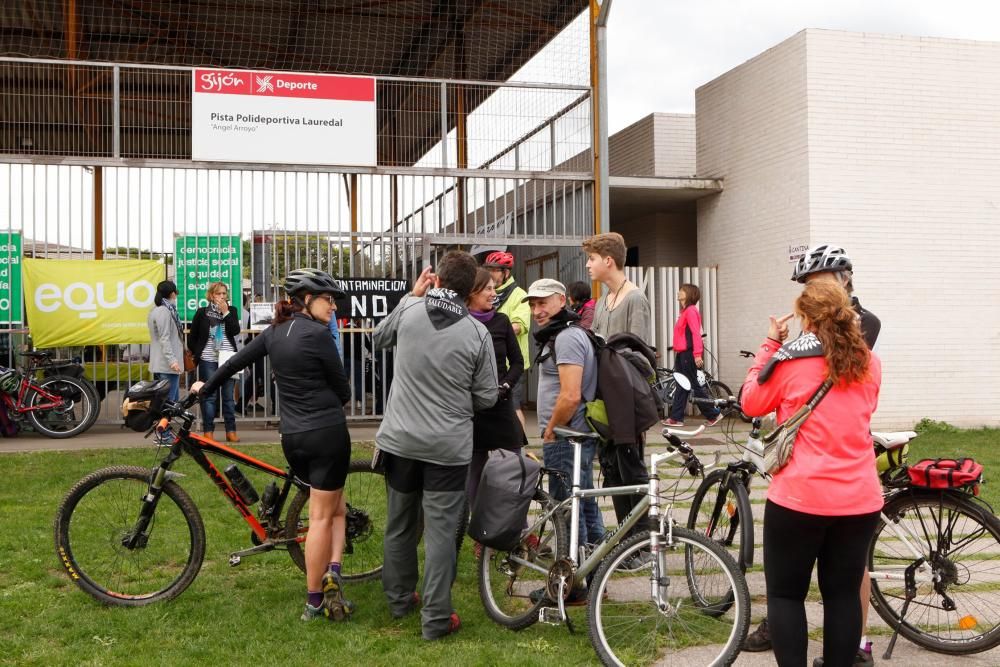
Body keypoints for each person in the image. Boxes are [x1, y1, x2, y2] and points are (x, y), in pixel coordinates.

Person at [191, 268, 355, 623]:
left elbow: (234, 362)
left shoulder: (274, 332)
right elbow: (343, 389)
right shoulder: (319, 334)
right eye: (328, 300)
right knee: (322, 517)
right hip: (327, 433)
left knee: (333, 509)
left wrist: (203, 388)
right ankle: (314, 600)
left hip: (292, 438)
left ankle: (335, 571)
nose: (333, 308)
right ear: (307, 300)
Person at [746, 244, 883, 663]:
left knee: (786, 595)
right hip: (859, 499)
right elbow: (867, 408)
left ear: (806, 314)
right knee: (842, 596)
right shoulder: (869, 362)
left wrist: (769, 346)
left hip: (799, 498)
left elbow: (751, 403)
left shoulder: (789, 361)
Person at [373, 251, 497, 640]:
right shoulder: (477, 333)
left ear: (437, 280)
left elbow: (378, 338)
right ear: (469, 288)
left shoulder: (410, 311)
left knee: (399, 524)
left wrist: (411, 295)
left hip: (400, 441)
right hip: (447, 446)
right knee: (442, 534)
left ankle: (398, 599)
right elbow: (488, 396)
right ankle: (436, 619)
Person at [526, 277, 603, 589]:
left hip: (566, 436)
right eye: (532, 305)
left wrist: (549, 429)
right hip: (572, 436)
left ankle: (570, 585)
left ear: (561, 300)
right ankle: (597, 577)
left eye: (542, 303)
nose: (536, 310)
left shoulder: (568, 338)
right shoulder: (561, 335)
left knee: (565, 512)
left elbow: (570, 396)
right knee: (583, 505)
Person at [465, 268, 527, 513]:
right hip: (475, 408)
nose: (494, 293)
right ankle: (479, 528)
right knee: (475, 471)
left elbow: (519, 362)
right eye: (488, 288)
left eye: (494, 288)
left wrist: (506, 385)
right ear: (472, 292)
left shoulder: (501, 321)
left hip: (502, 405)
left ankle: (517, 527)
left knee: (514, 466)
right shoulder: (462, 323)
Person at [664, 283, 723, 427]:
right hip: (682, 354)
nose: (678, 292)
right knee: (682, 385)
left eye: (682, 290)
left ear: (689, 294)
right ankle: (677, 418)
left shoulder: (691, 311)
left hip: (688, 354)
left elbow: (696, 334)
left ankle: (714, 414)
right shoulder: (685, 312)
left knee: (693, 385)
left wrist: (697, 355)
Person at [482, 251, 531, 429]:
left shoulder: (519, 295)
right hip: (489, 363)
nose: (490, 273)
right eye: (488, 269)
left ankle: (519, 447)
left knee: (513, 406)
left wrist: (494, 330)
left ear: (506, 273)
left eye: (495, 270)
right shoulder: (488, 292)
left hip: (511, 365)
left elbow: (519, 326)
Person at [188, 282, 241, 443]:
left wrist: (225, 313)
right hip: (208, 359)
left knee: (228, 397)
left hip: (227, 358)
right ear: (211, 295)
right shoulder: (202, 313)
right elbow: (193, 337)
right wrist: (199, 351)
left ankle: (231, 431)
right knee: (209, 396)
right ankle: (208, 432)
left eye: (224, 293)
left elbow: (235, 331)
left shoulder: (232, 311)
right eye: (218, 294)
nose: (222, 297)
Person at [584, 232, 650, 341]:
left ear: (608, 261)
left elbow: (637, 353)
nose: (587, 265)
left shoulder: (636, 299)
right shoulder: (601, 301)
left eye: (592, 259)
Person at [147, 280, 184, 402]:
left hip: (164, 364)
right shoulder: (164, 311)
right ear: (172, 294)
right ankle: (163, 421)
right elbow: (164, 338)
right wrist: (173, 361)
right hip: (167, 364)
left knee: (169, 400)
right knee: (168, 402)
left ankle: (163, 421)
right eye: (176, 293)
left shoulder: (157, 310)